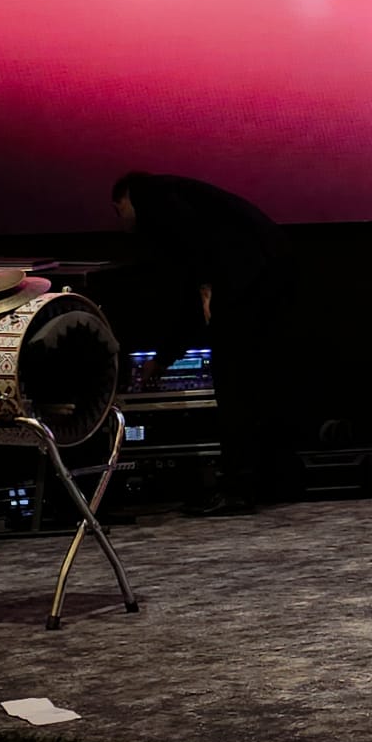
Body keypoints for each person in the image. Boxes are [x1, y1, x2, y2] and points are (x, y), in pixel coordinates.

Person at [111, 171, 293, 516]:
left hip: (248, 276)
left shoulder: (151, 194)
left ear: (124, 198)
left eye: (118, 211)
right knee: (248, 383)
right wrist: (165, 357)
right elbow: (188, 299)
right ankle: (255, 481)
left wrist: (207, 289)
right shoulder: (180, 198)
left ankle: (238, 488)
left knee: (234, 385)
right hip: (263, 271)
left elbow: (194, 253)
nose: (121, 222)